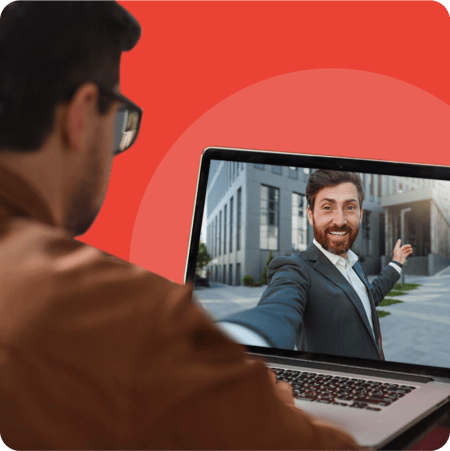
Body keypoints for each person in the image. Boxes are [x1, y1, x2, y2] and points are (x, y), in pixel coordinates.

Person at [0, 2, 364, 450]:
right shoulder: (118, 314)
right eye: (119, 122)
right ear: (82, 113)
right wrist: (262, 407)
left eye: (351, 207)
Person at [220, 170, 412, 360]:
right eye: (328, 207)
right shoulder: (296, 269)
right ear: (310, 215)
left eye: (350, 207)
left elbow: (370, 296)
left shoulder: (355, 265)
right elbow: (278, 308)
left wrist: (396, 263)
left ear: (360, 214)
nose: (340, 220)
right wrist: (242, 340)